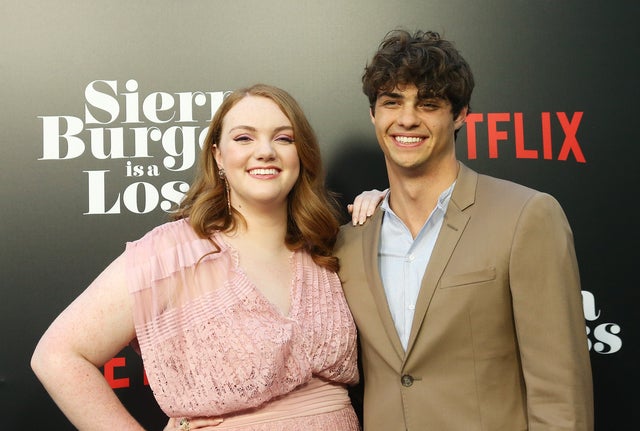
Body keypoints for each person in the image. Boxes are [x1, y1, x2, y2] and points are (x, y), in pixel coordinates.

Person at [31, 84, 361, 431]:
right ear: (218, 156)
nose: (265, 151)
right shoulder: (173, 253)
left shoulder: (326, 248)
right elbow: (57, 355)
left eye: (283, 138)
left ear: (301, 154)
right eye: (244, 138)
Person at [336, 30, 594, 430]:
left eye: (428, 104)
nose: (406, 118)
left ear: (459, 115)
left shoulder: (526, 217)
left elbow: (560, 395)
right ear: (374, 115)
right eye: (392, 102)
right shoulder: (350, 240)